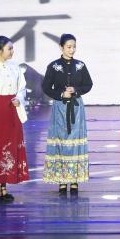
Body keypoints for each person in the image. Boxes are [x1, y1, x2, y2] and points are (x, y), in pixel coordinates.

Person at [41, 34, 93, 195]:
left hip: (76, 109)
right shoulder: (53, 66)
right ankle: (62, 180)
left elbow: (89, 84)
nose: (72, 50)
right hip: (60, 108)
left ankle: (75, 179)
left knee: (75, 142)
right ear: (61, 47)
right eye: (69, 47)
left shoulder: (80, 65)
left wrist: (76, 90)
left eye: (74, 46)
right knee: (61, 141)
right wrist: (61, 94)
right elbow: (46, 87)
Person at [0, 35, 29, 203]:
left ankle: (4, 188)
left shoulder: (15, 68)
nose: (12, 51)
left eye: (12, 48)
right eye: (9, 48)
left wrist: (19, 99)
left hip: (12, 110)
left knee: (9, 147)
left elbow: (22, 88)